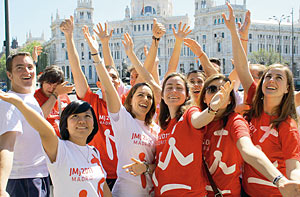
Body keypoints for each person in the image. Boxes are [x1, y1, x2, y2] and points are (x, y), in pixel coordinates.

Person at [224, 2, 300, 196]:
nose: (271, 80)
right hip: (246, 192)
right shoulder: (253, 99)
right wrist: (234, 31)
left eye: (278, 77)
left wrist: (296, 183)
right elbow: (241, 66)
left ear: (287, 90)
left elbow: (294, 165)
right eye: (268, 76)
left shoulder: (288, 125)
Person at [83, 21, 162, 196]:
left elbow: (160, 164)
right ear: (129, 98)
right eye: (140, 95)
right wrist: (96, 54)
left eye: (149, 96)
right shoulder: (123, 120)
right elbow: (109, 86)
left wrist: (146, 168)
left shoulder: (156, 129)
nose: (145, 99)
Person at [200, 74, 300, 196]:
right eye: (212, 89)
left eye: (224, 90)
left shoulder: (235, 122)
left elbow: (247, 149)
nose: (219, 94)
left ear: (231, 99)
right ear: (204, 97)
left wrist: (280, 180)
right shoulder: (193, 119)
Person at [0, 90, 112, 197]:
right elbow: (44, 130)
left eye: (87, 116)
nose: (82, 121)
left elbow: (104, 188)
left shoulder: (94, 152)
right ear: (65, 124)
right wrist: (20, 104)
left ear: (93, 124)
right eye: (75, 116)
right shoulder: (59, 149)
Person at [60, 16, 120, 190]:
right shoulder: (92, 102)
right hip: (96, 173)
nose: (112, 82)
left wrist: (105, 44)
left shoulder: (126, 105)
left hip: (125, 176)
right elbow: (77, 69)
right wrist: (69, 38)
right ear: (100, 84)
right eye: (107, 79)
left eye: (115, 79)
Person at [0, 52, 49, 197]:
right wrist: (1, 188)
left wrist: (34, 58)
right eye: (19, 68)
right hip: (25, 180)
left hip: (39, 175)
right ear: (10, 75)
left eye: (29, 67)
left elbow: (31, 81)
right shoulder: (9, 103)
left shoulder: (28, 96)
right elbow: (6, 146)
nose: (27, 71)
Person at [34, 65, 73, 137]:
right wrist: (55, 94)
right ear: (42, 82)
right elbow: (40, 117)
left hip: (63, 140)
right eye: (49, 84)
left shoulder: (63, 96)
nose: (51, 88)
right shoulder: (34, 97)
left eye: (56, 85)